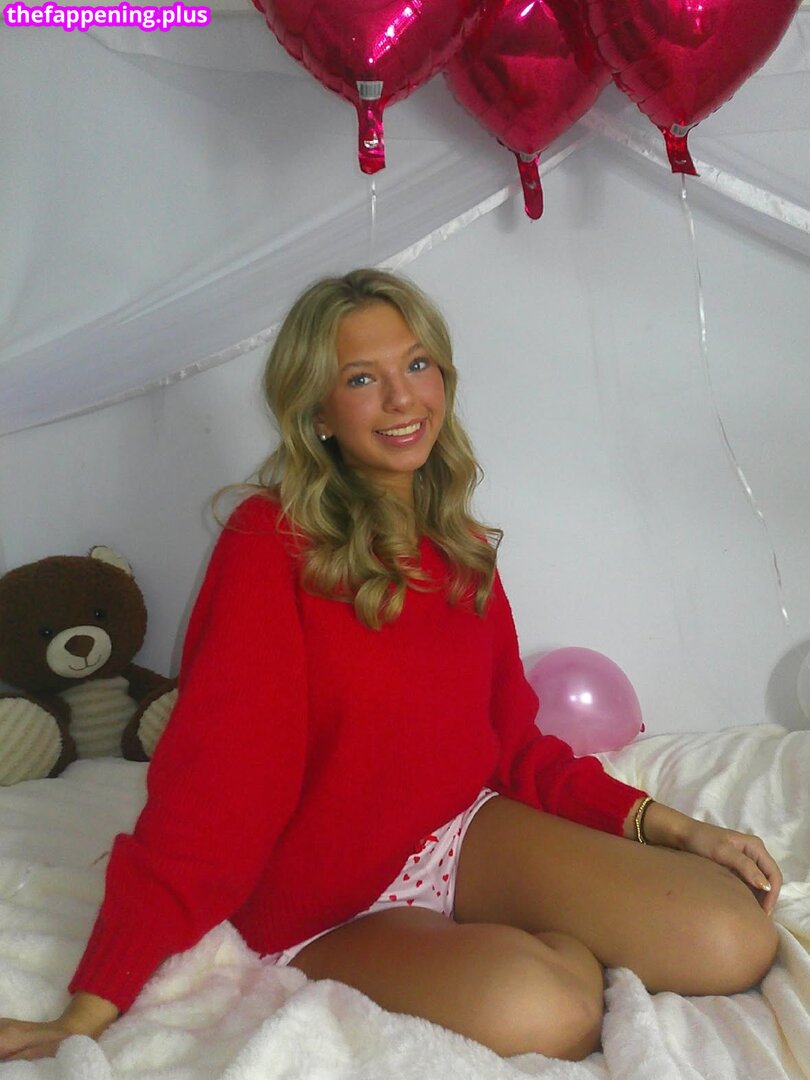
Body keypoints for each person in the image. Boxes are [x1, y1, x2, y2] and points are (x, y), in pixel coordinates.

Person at [0, 269, 781, 1063]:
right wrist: (85, 1012)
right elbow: (217, 787)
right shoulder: (266, 543)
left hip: (462, 828)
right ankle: (511, 947)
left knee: (736, 938)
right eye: (361, 379)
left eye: (416, 364)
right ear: (318, 413)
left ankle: (515, 930)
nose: (403, 398)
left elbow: (516, 747)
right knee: (554, 1012)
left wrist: (676, 828)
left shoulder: (460, 547)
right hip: (331, 901)